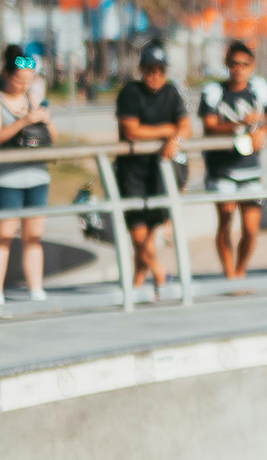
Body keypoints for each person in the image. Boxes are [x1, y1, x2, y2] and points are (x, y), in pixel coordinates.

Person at [114, 42, 190, 301]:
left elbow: (186, 125)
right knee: (138, 235)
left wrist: (175, 139)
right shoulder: (130, 93)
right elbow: (131, 130)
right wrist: (168, 131)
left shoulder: (171, 92)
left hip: (158, 173)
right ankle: (160, 274)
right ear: (141, 69)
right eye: (149, 69)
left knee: (148, 237)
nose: (155, 75)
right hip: (132, 173)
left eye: (160, 70)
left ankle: (137, 287)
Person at [0, 45, 56, 306]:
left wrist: (44, 119)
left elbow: (53, 137)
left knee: (33, 237)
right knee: (2, 237)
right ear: (6, 74)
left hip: (36, 176)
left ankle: (36, 289)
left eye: (28, 81)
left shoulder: (31, 98)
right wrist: (23, 121)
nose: (24, 86)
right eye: (19, 80)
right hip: (6, 179)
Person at [200, 40, 267, 280]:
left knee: (251, 227)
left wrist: (262, 130)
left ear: (252, 65)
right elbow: (209, 125)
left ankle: (241, 270)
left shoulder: (259, 89)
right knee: (225, 220)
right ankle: (229, 273)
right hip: (221, 168)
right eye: (234, 63)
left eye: (244, 64)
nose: (238, 68)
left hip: (251, 168)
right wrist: (237, 125)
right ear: (227, 64)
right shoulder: (214, 91)